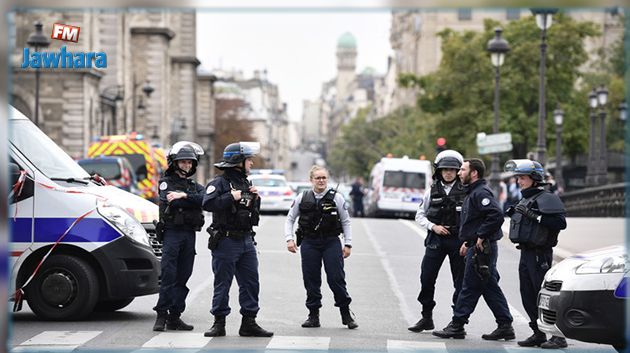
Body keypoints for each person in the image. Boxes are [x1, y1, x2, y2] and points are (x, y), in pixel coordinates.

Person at [433, 158, 514, 340]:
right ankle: (505, 325)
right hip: (477, 246)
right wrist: (468, 241)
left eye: (462, 169)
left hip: (483, 248)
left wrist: (480, 235)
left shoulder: (481, 193)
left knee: (469, 286)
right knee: (489, 286)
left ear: (474, 173)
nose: (459, 173)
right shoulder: (472, 192)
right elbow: (475, 221)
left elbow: (496, 215)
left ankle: (457, 324)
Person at [202, 141, 273, 338]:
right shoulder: (219, 183)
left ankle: (249, 323)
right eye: (249, 160)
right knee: (223, 283)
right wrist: (229, 198)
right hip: (226, 241)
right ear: (238, 162)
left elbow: (251, 215)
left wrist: (255, 199)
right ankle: (219, 323)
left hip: (246, 241)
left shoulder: (246, 184)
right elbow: (207, 203)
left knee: (251, 283)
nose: (251, 164)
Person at [284, 165, 357, 329]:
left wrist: (348, 244)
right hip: (309, 243)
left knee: (336, 278)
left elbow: (346, 221)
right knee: (311, 280)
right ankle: (313, 315)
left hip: (331, 242)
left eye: (324, 178)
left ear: (327, 179)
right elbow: (290, 219)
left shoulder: (336, 198)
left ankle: (345, 313)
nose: (321, 181)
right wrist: (289, 239)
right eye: (318, 178)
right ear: (311, 180)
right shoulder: (302, 197)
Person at [505, 159, 567, 349]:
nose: (519, 181)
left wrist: (535, 216)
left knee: (544, 296)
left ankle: (558, 336)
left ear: (534, 178)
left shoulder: (547, 198)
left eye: (522, 178)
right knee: (527, 294)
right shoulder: (526, 198)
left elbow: (560, 223)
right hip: (526, 253)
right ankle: (538, 333)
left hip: (540, 254)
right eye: (518, 178)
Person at [408, 150, 466, 333]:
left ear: (457, 171)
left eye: (452, 169)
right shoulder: (431, 191)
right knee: (426, 277)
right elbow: (420, 215)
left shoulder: (467, 191)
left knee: (460, 281)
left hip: (458, 240)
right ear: (439, 171)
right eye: (445, 169)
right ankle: (426, 317)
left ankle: (458, 322)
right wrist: (434, 227)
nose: (448, 172)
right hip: (436, 239)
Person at [152, 141, 206, 332]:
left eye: (189, 163)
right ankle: (161, 315)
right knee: (168, 275)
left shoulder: (193, 186)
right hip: (172, 233)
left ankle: (175, 317)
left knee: (184, 275)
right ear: (175, 163)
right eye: (183, 162)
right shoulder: (166, 183)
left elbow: (205, 200)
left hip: (189, 234)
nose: (187, 166)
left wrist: (183, 196)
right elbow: (171, 202)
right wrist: (188, 199)